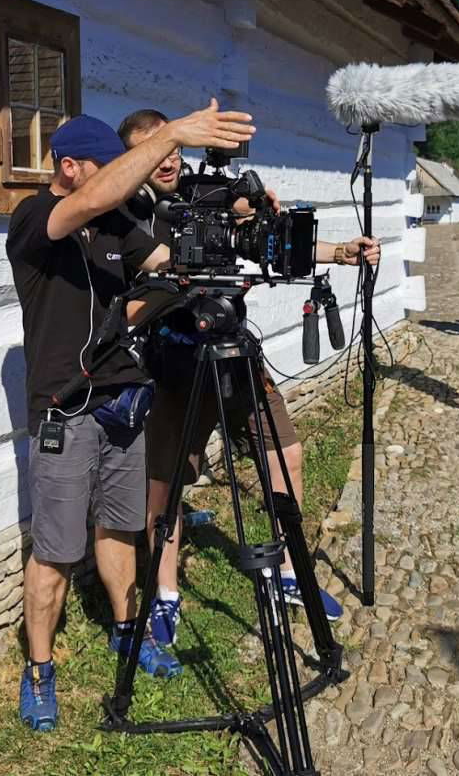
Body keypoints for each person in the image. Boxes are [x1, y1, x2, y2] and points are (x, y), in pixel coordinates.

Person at [6, 103, 256, 732]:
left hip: (125, 401)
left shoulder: (118, 225)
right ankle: (39, 669)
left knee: (118, 528)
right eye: (107, 165)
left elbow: (172, 258)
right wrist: (169, 134)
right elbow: (87, 205)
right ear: (69, 167)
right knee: (57, 550)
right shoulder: (38, 217)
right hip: (67, 409)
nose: (119, 178)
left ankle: (126, 629)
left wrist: (240, 233)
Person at [117, 108, 381, 645]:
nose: (167, 162)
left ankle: (286, 573)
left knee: (286, 454)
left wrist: (340, 252)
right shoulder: (125, 212)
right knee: (163, 482)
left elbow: (260, 243)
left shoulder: (209, 190)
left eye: (172, 149)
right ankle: (165, 591)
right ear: (134, 157)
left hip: (237, 352)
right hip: (174, 359)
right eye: (154, 151)